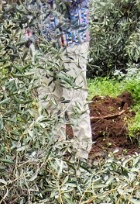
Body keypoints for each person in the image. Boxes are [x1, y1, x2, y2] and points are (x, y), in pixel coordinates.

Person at [39, 0, 91, 158]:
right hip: (43, 42)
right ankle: (54, 155)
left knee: (75, 100)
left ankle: (81, 157)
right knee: (48, 101)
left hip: (72, 40)